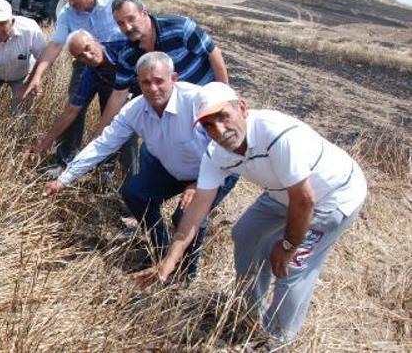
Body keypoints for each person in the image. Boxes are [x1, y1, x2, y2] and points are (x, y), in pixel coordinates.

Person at [134, 82, 367, 346]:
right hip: (283, 192)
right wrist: (168, 264)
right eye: (209, 125)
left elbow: (304, 200)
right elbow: (196, 212)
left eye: (223, 116)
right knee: (245, 234)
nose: (219, 130)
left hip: (332, 196)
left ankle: (276, 339)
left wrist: (288, 245)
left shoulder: (277, 134)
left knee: (292, 266)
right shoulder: (216, 154)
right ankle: (248, 313)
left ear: (242, 108)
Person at [44, 52, 238, 279]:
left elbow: (226, 147)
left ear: (173, 78)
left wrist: (198, 184)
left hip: (215, 169)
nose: (153, 88)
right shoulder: (134, 110)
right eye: (146, 82)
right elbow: (103, 145)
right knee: (135, 193)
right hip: (172, 166)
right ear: (138, 82)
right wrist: (64, 179)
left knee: (184, 215)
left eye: (159, 81)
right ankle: (162, 250)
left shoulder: (197, 101)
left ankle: (185, 275)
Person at [21, 0, 126, 168]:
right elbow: (55, 44)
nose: (70, 3)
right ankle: (65, 159)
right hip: (85, 64)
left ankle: (107, 167)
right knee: (74, 108)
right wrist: (37, 76)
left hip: (118, 66)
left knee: (114, 116)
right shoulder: (68, 14)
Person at [95, 0, 232, 125]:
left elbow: (213, 54)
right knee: (149, 149)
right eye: (121, 23)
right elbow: (119, 94)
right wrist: (97, 137)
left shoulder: (179, 27)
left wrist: (225, 97)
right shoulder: (128, 54)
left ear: (144, 13)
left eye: (131, 19)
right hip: (177, 113)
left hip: (208, 101)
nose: (127, 27)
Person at [31, 30, 139, 179]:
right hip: (131, 97)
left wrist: (96, 137)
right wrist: (45, 143)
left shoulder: (122, 48)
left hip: (155, 91)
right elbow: (72, 110)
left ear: (95, 39)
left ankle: (133, 182)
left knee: (130, 131)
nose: (87, 56)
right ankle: (122, 184)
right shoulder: (90, 73)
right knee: (123, 129)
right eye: (81, 56)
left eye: (87, 48)